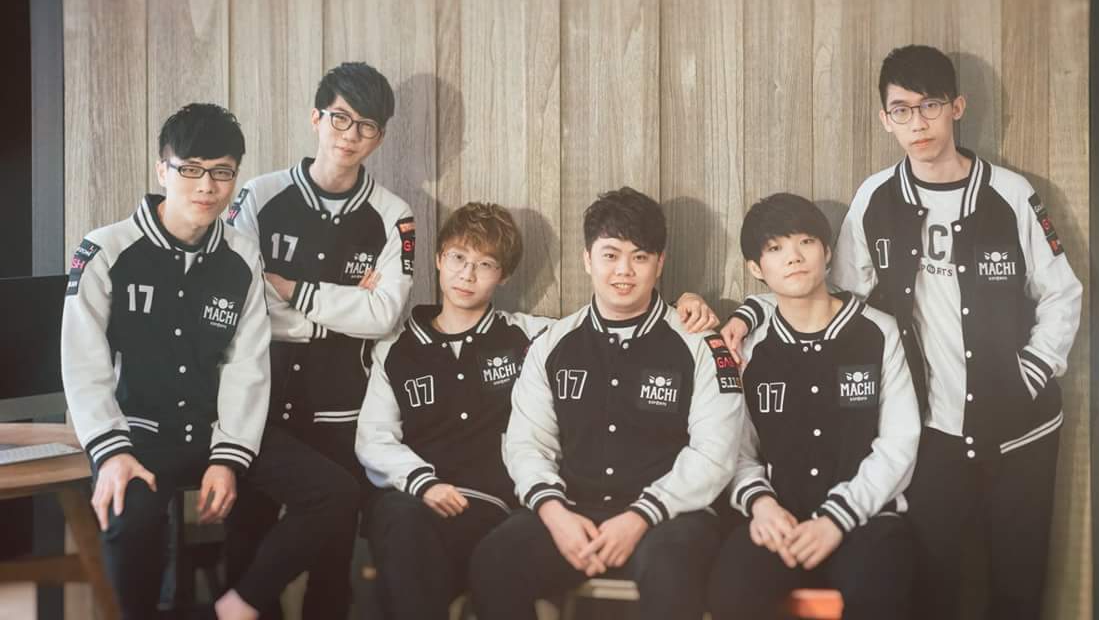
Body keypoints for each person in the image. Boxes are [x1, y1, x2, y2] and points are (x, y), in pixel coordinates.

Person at [724, 44, 1083, 620]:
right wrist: (751, 312)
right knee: (932, 589)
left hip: (1022, 429)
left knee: (1018, 590)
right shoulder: (876, 198)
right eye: (901, 110)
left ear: (957, 107)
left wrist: (1032, 372)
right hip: (932, 433)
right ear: (885, 119)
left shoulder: (1011, 195)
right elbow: (827, 294)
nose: (917, 123)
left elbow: (1062, 293)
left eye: (930, 106)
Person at [61, 103, 357, 620]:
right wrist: (110, 452)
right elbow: (82, 361)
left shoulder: (241, 256)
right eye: (191, 169)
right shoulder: (105, 250)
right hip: (137, 434)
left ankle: (236, 607)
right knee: (129, 519)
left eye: (222, 172)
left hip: (216, 428)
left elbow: (247, 364)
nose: (206, 186)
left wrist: (229, 456)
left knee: (335, 493)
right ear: (163, 170)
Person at [357, 202, 721, 619]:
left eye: (485, 264)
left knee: (483, 559)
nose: (467, 274)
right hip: (416, 502)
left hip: (490, 506)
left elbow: (615, 325)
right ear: (438, 259)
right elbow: (374, 439)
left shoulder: (530, 336)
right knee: (406, 527)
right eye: (458, 258)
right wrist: (422, 482)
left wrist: (684, 305)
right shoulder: (395, 349)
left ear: (503, 275)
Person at [469, 187, 744, 620]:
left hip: (671, 517)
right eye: (610, 255)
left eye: (639, 257)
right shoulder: (552, 344)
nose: (624, 271)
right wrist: (555, 514)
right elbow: (527, 443)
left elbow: (715, 452)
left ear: (660, 263)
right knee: (494, 562)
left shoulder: (699, 344)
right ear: (587, 259)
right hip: (571, 511)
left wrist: (640, 516)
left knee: (670, 572)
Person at [225, 61, 414, 619]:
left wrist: (291, 288)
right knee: (247, 541)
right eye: (340, 118)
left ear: (379, 137)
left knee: (332, 564)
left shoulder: (393, 215)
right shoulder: (259, 195)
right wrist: (340, 307)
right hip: (259, 398)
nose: (350, 135)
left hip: (341, 405)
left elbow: (384, 314)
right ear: (316, 118)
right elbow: (239, 298)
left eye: (366, 126)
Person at [708, 193, 920, 620]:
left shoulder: (879, 332)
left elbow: (899, 443)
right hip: (777, 517)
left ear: (826, 251)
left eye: (805, 241)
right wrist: (762, 505)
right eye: (775, 248)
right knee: (730, 593)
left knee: (881, 592)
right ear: (756, 268)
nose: (793, 257)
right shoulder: (747, 348)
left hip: (866, 520)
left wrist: (836, 518)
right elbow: (737, 448)